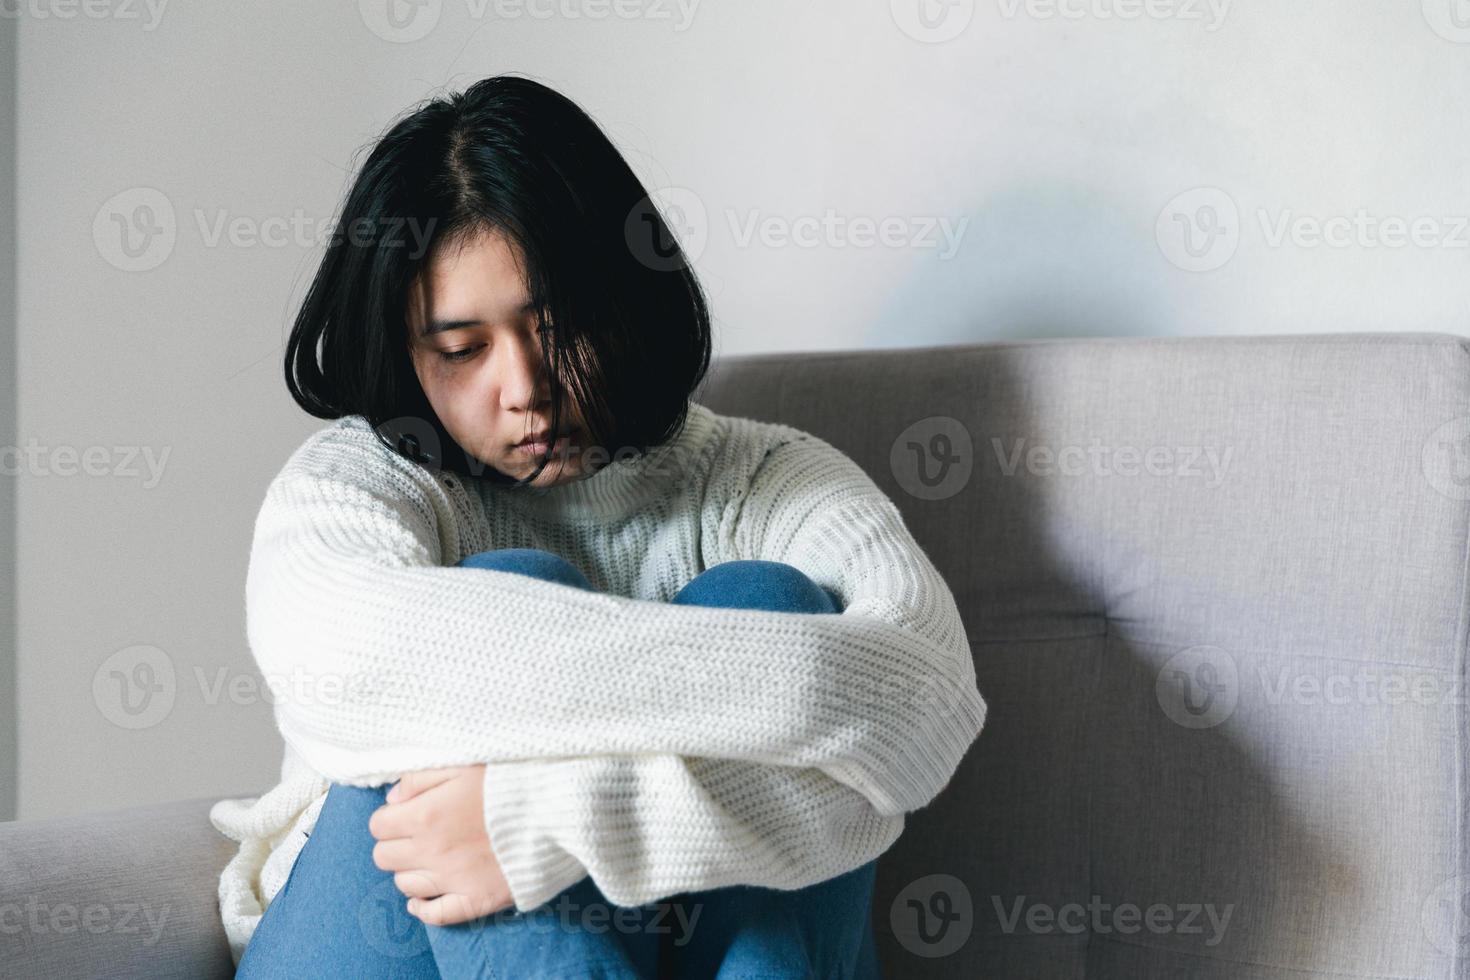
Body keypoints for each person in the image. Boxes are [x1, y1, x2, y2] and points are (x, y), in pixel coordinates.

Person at [208, 73, 987, 978]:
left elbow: (927, 698)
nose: (525, 388)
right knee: (515, 588)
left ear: (627, 295)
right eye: (462, 350)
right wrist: (795, 718)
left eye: (559, 327)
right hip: (371, 940)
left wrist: (546, 821)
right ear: (407, 349)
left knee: (762, 596)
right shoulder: (360, 485)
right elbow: (348, 656)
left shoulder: (768, 483)